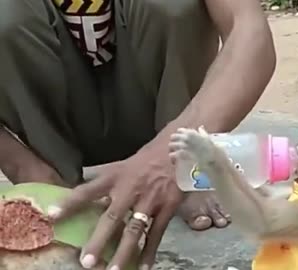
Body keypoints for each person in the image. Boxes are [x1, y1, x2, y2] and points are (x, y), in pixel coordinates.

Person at [0, 0, 276, 269]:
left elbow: (248, 30)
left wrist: (172, 152)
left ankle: (185, 170)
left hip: (160, 103)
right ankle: (54, 186)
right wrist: (23, 165)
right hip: (47, 118)